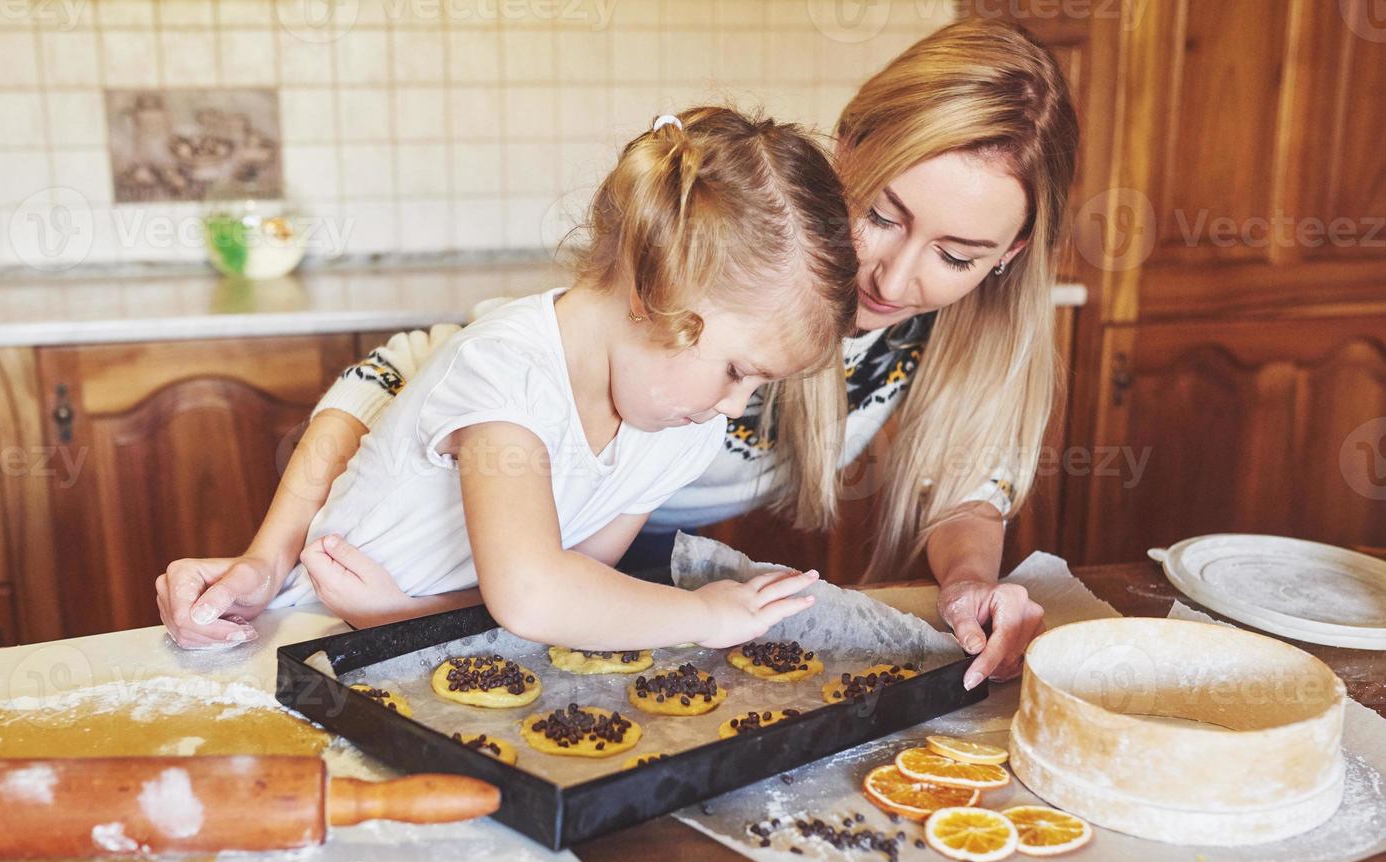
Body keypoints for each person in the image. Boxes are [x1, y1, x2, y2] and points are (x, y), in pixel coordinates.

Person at [158, 19, 1079, 690]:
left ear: (1007, 257)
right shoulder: (702, 267)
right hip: (499, 578)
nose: (893, 275)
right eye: (879, 212)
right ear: (846, 150)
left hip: (578, 577)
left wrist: (969, 588)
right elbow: (401, 385)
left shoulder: (718, 407)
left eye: (957, 257)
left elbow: (968, 484)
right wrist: (266, 561)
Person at [175, 106, 859, 651]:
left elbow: (568, 588)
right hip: (307, 639)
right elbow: (533, 593)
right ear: (655, 296)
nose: (733, 406)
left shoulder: (675, 430)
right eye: (737, 370)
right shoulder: (506, 368)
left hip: (435, 645)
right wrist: (702, 615)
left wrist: (403, 615)